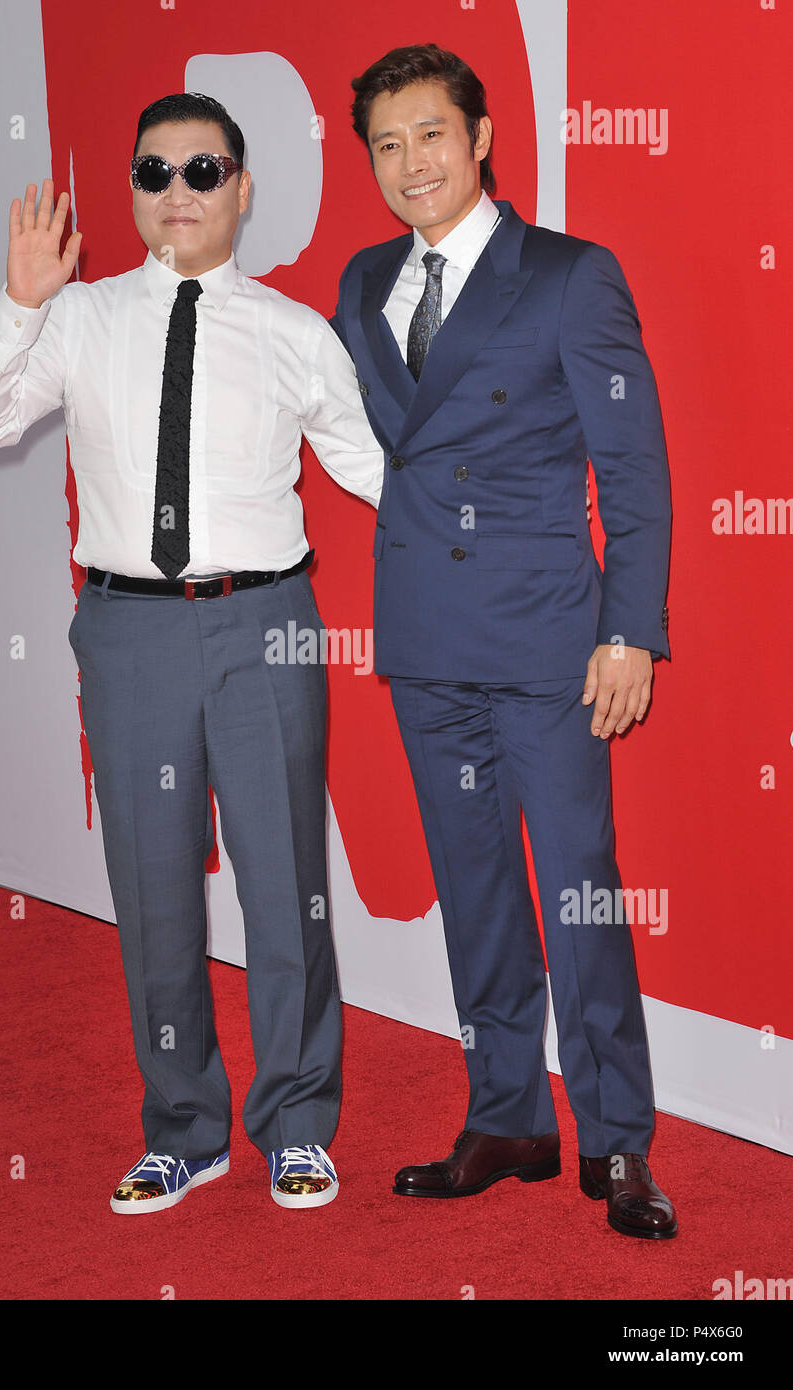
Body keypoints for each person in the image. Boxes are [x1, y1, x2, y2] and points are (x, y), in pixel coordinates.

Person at [0, 92, 384, 1213]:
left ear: (242, 187)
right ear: (131, 192)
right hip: (130, 627)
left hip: (266, 623)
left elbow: (383, 473)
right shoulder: (77, 317)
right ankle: (185, 1127)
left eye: (202, 170)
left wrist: (503, 516)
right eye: (153, 173)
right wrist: (16, 302)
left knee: (286, 879)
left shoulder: (296, 333)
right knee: (151, 886)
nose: (176, 192)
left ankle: (296, 1120)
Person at [331, 44, 676, 1239]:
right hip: (427, 637)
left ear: (480, 137)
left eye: (430, 134)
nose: (410, 163)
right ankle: (509, 1115)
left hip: (546, 637)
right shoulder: (362, 279)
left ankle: (618, 1140)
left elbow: (633, 469)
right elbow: (380, 452)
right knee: (475, 893)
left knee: (578, 891)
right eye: (386, 144)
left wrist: (629, 626)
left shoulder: (572, 276)